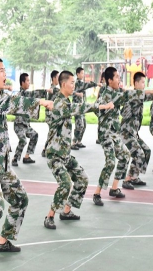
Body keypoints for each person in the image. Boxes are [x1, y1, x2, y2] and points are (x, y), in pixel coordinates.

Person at [0, 57, 53, 268]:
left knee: (21, 199)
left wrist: (44, 96)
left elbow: (15, 98)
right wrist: (40, 102)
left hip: (2, 162)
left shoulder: (0, 94)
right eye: (2, 71)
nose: (5, 74)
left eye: (5, 71)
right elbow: (14, 102)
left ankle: (3, 240)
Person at [44, 71, 113, 229]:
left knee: (82, 179)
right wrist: (101, 106)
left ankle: (66, 211)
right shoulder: (60, 103)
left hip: (65, 154)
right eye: (72, 83)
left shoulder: (65, 101)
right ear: (63, 84)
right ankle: (49, 216)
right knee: (65, 184)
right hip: (55, 155)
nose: (74, 86)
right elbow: (80, 107)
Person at [92, 67, 145, 206]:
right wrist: (103, 109)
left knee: (125, 156)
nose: (118, 79)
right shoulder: (106, 94)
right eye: (116, 77)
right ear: (109, 80)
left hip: (114, 133)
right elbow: (96, 106)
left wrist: (151, 92)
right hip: (105, 134)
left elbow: (130, 95)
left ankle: (114, 188)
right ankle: (97, 193)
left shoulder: (118, 92)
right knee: (110, 162)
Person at [120, 72, 153, 189]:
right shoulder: (130, 94)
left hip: (133, 133)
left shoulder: (141, 95)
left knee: (146, 151)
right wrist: (152, 91)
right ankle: (127, 179)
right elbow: (137, 93)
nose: (144, 85)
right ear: (136, 83)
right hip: (126, 133)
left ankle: (135, 176)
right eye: (142, 82)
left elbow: (152, 95)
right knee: (139, 154)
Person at [12, 73, 50, 166]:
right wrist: (46, 91)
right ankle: (15, 159)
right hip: (19, 125)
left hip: (26, 125)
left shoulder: (26, 93)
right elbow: (34, 93)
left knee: (34, 135)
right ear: (22, 82)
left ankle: (27, 156)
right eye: (27, 81)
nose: (29, 82)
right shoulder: (21, 94)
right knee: (23, 140)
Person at [72, 67, 99, 150]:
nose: (83, 75)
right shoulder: (77, 83)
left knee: (84, 125)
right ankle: (73, 142)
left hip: (82, 107)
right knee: (79, 125)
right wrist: (77, 94)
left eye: (83, 73)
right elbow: (72, 92)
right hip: (77, 107)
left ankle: (79, 141)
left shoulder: (80, 83)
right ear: (77, 74)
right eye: (82, 73)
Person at [42, 70, 60, 157]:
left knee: (53, 132)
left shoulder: (53, 89)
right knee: (53, 132)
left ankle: (48, 149)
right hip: (50, 115)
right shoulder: (53, 89)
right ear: (53, 78)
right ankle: (45, 149)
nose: (59, 79)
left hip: (52, 115)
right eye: (58, 77)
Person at [95, 71, 106, 145]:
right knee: (101, 123)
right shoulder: (103, 87)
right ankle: (100, 138)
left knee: (101, 122)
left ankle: (100, 138)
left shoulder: (103, 87)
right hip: (102, 107)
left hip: (102, 107)